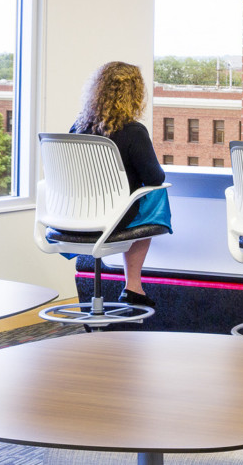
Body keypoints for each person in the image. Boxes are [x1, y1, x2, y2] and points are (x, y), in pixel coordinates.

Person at [69, 61, 170, 308]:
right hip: (113, 218)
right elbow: (155, 179)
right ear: (134, 94)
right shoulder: (134, 131)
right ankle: (133, 286)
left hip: (74, 215)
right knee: (156, 197)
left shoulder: (78, 128)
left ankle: (133, 287)